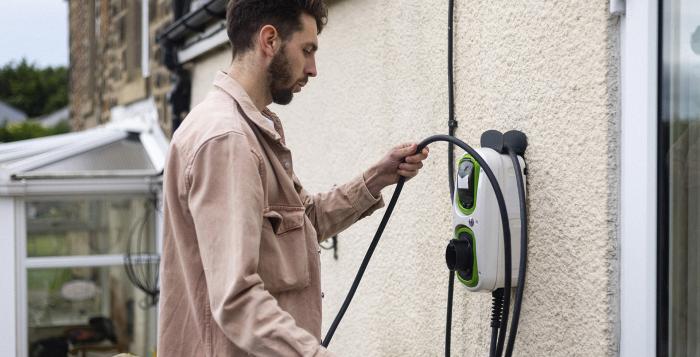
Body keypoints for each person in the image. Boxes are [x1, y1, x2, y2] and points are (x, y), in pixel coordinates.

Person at [157, 1, 429, 356]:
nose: (313, 69)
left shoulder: (248, 130)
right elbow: (237, 298)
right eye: (307, 50)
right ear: (269, 40)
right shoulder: (227, 140)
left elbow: (302, 221)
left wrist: (378, 177)